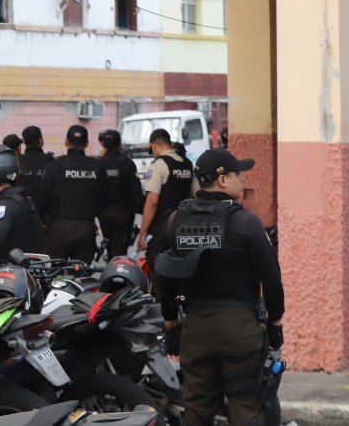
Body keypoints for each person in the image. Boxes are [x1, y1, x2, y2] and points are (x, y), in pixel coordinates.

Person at [154, 148, 284, 426]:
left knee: (196, 413)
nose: (243, 179)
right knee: (245, 409)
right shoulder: (247, 223)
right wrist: (275, 324)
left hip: (195, 330)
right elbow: (272, 280)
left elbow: (162, 277)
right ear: (223, 180)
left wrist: (172, 325)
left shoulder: (175, 221)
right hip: (240, 331)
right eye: (238, 174)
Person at [34, 125, 107, 261]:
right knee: (81, 271)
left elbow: (42, 199)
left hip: (59, 228)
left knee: (54, 271)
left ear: (66, 142)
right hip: (86, 227)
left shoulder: (55, 166)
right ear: (87, 144)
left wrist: (47, 222)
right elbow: (104, 199)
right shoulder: (97, 166)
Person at [137, 128, 199, 268]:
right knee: (181, 265)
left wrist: (142, 233)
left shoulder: (158, 165)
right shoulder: (188, 164)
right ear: (170, 144)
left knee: (158, 266)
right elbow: (196, 195)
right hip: (185, 223)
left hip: (163, 227)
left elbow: (152, 201)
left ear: (153, 146)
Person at [97, 130, 142, 260]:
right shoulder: (128, 164)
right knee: (120, 251)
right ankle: (118, 270)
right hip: (124, 215)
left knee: (110, 248)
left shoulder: (98, 164)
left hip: (104, 215)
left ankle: (110, 267)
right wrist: (139, 209)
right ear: (119, 144)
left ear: (103, 144)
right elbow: (137, 191)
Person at [16, 125, 54, 193]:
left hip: (21, 199)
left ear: (24, 142)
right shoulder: (50, 161)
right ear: (40, 140)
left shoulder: (17, 161)